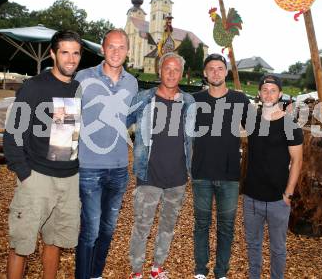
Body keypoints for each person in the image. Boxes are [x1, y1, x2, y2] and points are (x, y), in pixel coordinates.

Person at [4, 30, 83, 279]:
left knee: (55, 241)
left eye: (76, 53)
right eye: (65, 52)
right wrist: (24, 174)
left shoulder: (78, 88)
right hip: (37, 178)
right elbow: (13, 134)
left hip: (69, 179)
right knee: (22, 245)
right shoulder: (34, 87)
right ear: (53, 54)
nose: (71, 59)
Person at [75, 28, 138, 279]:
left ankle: (96, 274)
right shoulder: (82, 77)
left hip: (119, 168)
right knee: (90, 229)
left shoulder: (132, 82)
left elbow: (130, 119)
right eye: (111, 46)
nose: (116, 52)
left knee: (108, 229)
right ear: (102, 49)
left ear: (128, 51)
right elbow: (66, 118)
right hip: (88, 166)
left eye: (121, 47)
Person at [127, 52, 196, 279]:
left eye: (176, 69)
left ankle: (157, 267)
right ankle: (137, 271)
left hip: (177, 178)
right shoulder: (144, 98)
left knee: (167, 226)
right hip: (149, 176)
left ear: (182, 74)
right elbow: (120, 123)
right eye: (167, 68)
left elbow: (193, 137)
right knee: (142, 226)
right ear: (159, 71)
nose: (171, 73)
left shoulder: (189, 102)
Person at [191, 54, 250, 279]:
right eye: (211, 69)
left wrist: (282, 116)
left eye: (219, 68)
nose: (215, 72)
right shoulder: (194, 100)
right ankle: (200, 270)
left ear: (225, 72)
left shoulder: (240, 99)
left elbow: (257, 130)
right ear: (205, 73)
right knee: (201, 225)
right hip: (201, 174)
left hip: (229, 175)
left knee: (226, 228)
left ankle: (221, 272)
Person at [243, 74, 303, 279]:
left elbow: (297, 160)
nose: (268, 94)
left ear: (280, 94)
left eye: (273, 90)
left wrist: (289, 193)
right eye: (265, 90)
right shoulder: (251, 120)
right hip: (251, 197)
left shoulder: (290, 125)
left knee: (278, 248)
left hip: (279, 198)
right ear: (259, 93)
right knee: (253, 245)